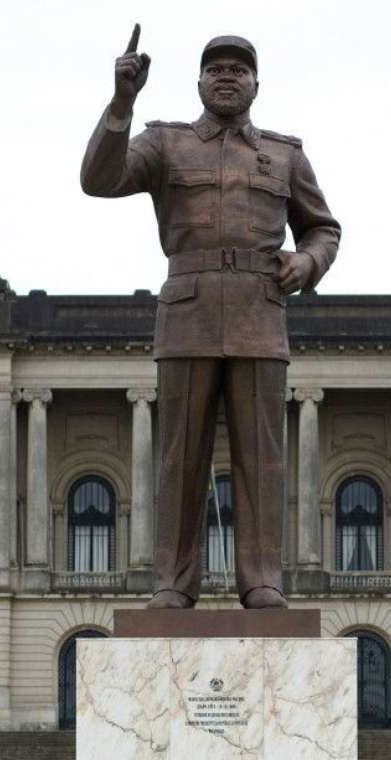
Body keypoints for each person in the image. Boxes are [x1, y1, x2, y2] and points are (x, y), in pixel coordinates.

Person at [80, 26, 340, 609]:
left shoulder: (285, 154)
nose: (227, 75)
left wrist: (308, 260)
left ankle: (262, 579)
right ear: (199, 81)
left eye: (238, 69)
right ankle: (173, 581)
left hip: (259, 316)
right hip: (188, 316)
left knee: (263, 458)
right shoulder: (165, 143)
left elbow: (324, 228)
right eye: (215, 67)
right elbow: (98, 180)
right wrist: (122, 101)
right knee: (179, 455)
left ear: (256, 84)